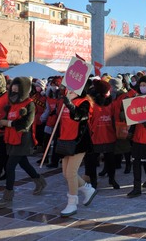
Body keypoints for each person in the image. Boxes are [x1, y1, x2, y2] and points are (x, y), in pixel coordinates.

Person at [0, 76, 47, 208]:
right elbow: (6, 120)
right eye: (13, 89)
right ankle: (39, 180)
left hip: (22, 139)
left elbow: (26, 124)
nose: (14, 92)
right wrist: (0, 124)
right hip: (11, 138)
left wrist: (9, 123)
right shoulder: (12, 104)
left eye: (17, 89)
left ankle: (7, 197)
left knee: (10, 166)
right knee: (24, 163)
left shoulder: (30, 104)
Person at [57, 86, 97, 216]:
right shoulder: (65, 100)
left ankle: (72, 203)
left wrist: (69, 104)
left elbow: (80, 116)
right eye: (68, 88)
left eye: (73, 88)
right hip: (65, 140)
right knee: (65, 173)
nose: (70, 90)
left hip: (79, 142)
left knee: (71, 172)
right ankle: (87, 189)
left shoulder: (84, 102)